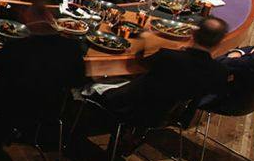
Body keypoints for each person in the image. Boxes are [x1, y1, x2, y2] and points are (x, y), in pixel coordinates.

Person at [0, 0, 86, 141]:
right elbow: (78, 80)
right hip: (52, 107)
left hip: (11, 104)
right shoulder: (72, 48)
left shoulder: (18, 47)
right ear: (51, 20)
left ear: (28, 21)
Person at [98, 16, 229, 132]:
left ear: (193, 34)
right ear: (219, 42)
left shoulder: (169, 57)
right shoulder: (218, 72)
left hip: (128, 107)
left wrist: (144, 41)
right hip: (168, 116)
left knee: (97, 78)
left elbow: (140, 62)